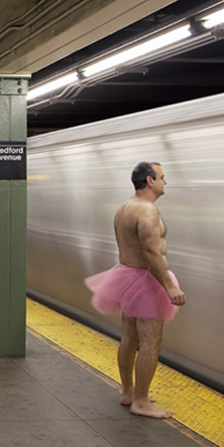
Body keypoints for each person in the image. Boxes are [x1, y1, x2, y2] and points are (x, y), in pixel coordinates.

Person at [85, 161, 186, 419]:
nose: (166, 181)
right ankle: (141, 401)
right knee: (151, 342)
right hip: (146, 281)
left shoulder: (125, 208)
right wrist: (169, 285)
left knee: (130, 339)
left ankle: (128, 392)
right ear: (150, 181)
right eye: (162, 177)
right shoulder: (147, 211)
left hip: (126, 276)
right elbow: (151, 253)